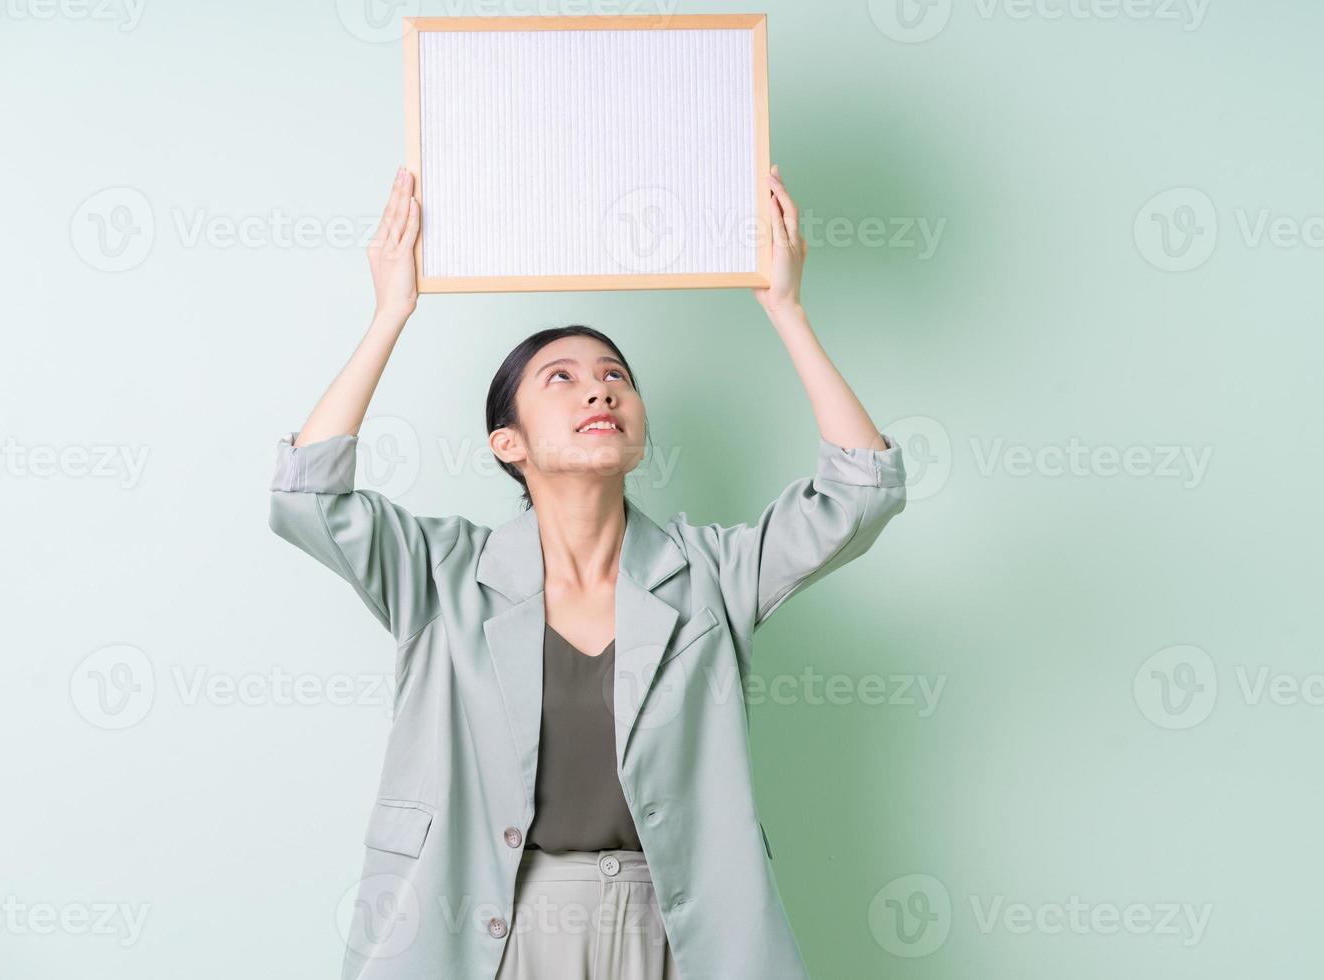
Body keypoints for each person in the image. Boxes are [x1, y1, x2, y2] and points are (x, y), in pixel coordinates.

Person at [267, 164, 908, 980]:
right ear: (510, 443)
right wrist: (392, 310)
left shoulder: (710, 571)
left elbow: (862, 492)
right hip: (491, 921)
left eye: (615, 376)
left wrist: (787, 309)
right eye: (560, 378)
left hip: (674, 923)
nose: (599, 390)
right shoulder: (439, 572)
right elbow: (305, 497)